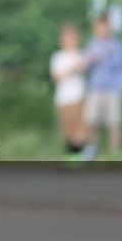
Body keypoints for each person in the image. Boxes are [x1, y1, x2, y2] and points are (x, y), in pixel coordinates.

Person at [83, 14, 122, 154]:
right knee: (91, 120)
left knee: (114, 121)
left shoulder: (116, 44)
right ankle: (92, 148)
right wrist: (92, 59)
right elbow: (86, 65)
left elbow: (119, 64)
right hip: (96, 88)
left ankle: (115, 151)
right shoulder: (91, 44)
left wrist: (104, 56)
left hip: (113, 89)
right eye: (99, 27)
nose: (103, 30)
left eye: (105, 27)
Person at [49, 23, 87, 156]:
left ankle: (81, 154)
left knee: (80, 128)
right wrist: (71, 69)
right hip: (63, 98)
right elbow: (56, 76)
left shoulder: (80, 53)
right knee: (67, 129)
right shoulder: (58, 56)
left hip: (78, 96)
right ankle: (71, 155)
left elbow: (83, 68)